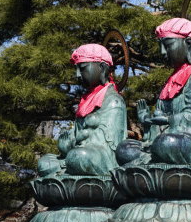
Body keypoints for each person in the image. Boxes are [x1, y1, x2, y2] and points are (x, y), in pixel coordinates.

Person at [116, 18, 191, 167]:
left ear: (188, 44)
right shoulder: (170, 83)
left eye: (168, 45)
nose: (163, 52)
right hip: (162, 142)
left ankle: (152, 162)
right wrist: (147, 121)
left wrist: (169, 120)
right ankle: (152, 160)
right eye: (161, 47)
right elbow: (158, 122)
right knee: (124, 149)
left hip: (190, 144)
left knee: (165, 143)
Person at [38, 43, 126, 179]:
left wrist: (75, 148)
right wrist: (66, 146)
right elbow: (76, 136)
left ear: (102, 68)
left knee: (79, 157)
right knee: (45, 163)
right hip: (78, 154)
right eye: (76, 69)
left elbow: (107, 146)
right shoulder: (85, 101)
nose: (78, 74)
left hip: (101, 158)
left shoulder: (114, 101)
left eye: (82, 68)